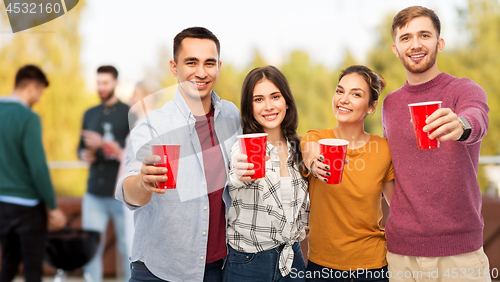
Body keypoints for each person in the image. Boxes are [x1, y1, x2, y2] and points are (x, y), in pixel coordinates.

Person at [115, 27, 241, 282]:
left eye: (209, 63)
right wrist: (142, 181)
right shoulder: (153, 126)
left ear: (219, 66)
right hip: (159, 269)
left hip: (219, 267)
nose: (201, 72)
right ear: (174, 67)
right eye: (191, 62)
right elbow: (128, 192)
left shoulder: (231, 115)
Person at [382, 6, 490, 281]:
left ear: (439, 43)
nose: (415, 44)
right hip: (401, 254)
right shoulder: (390, 104)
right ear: (395, 49)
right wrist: (401, 209)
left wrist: (461, 126)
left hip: (459, 254)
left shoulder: (464, 90)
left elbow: (476, 119)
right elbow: (389, 166)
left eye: (424, 35)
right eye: (405, 38)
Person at [300, 65, 394, 281]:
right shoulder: (316, 137)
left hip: (373, 267)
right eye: (340, 91)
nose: (343, 99)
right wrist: (315, 163)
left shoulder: (383, 149)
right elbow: (309, 150)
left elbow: (397, 206)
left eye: (356, 94)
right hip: (322, 267)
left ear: (371, 107)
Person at [223, 66, 309, 282]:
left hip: (293, 258)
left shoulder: (299, 148)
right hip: (248, 262)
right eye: (259, 99)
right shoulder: (243, 148)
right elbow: (236, 174)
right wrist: (240, 174)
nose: (269, 106)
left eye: (275, 96)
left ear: (286, 101)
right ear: (249, 107)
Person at [0, 65, 67, 282]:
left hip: (1, 204)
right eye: (39, 92)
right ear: (31, 87)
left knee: (8, 264)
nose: (39, 98)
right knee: (32, 269)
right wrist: (53, 206)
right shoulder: (28, 117)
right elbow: (38, 167)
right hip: (27, 207)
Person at [78, 65, 130, 282]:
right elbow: (79, 148)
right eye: (98, 83)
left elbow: (135, 150)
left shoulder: (129, 112)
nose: (101, 87)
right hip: (94, 193)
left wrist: (104, 144)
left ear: (116, 83)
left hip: (122, 193)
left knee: (128, 247)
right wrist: (83, 154)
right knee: (90, 249)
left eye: (106, 83)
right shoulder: (89, 114)